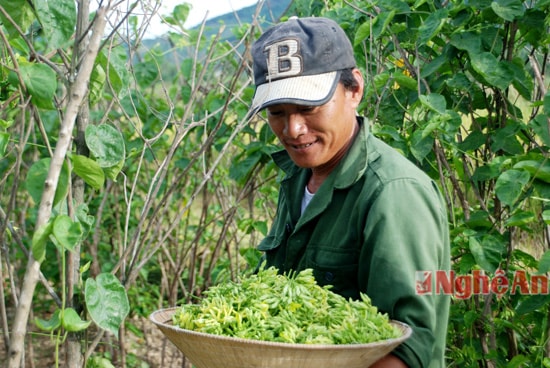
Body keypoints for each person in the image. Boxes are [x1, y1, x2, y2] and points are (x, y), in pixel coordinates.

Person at [249, 16, 450, 367]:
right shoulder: (300, 177)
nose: (293, 129)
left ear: (354, 89)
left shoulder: (393, 193)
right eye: (277, 112)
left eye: (309, 108)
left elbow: (408, 348)